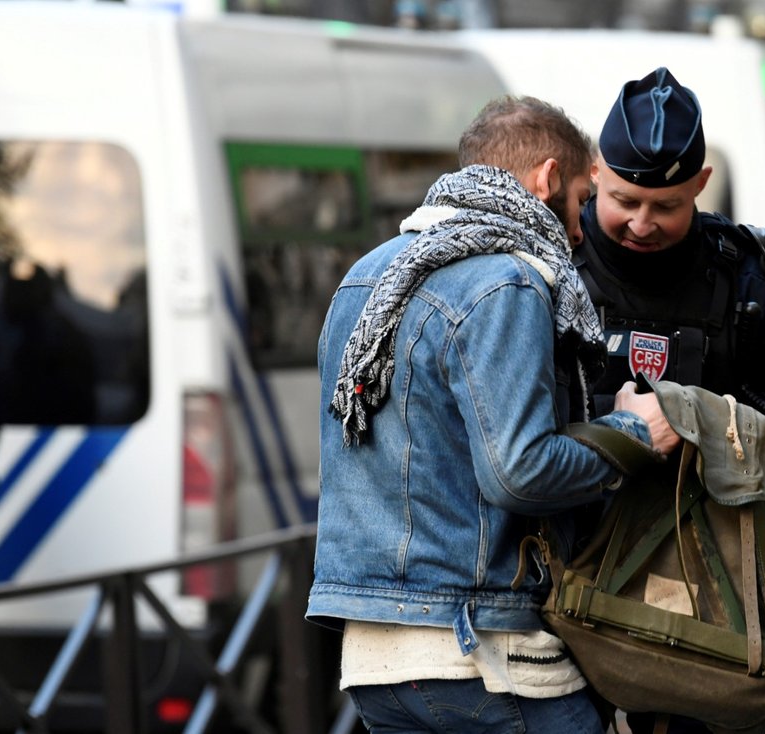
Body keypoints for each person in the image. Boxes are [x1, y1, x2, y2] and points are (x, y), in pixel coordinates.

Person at [305, 94, 680, 734]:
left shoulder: (367, 276)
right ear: (547, 178)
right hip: (482, 651)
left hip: (374, 663)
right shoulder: (509, 280)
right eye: (584, 200)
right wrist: (633, 433)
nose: (583, 229)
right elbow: (520, 472)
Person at [574, 67, 765, 733]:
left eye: (666, 206)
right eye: (625, 200)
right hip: (564, 591)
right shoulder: (541, 268)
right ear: (593, 171)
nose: (642, 223)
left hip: (716, 605)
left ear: (701, 185)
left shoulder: (751, 281)